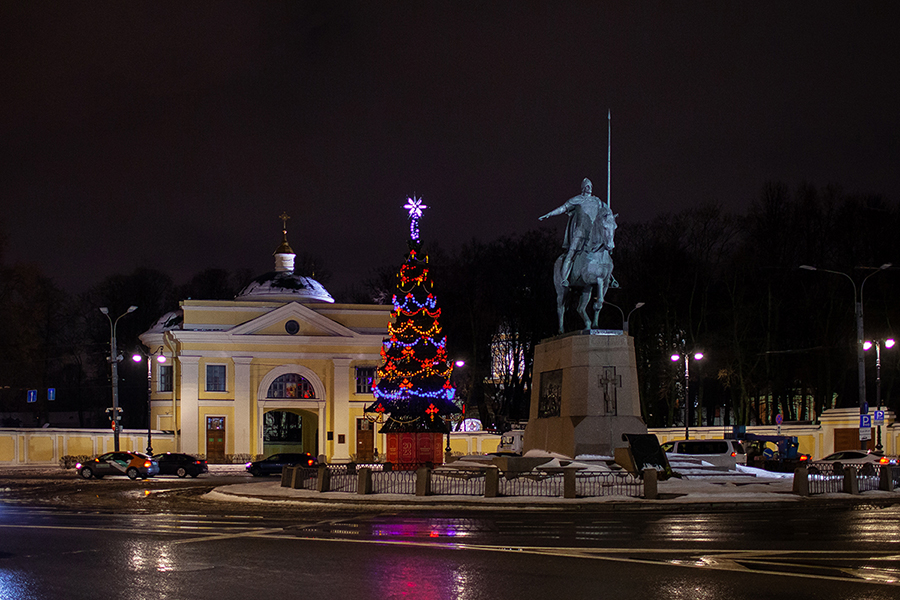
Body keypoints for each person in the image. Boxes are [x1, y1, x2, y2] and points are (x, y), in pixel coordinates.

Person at [539, 178, 615, 287]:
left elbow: (607, 212)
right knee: (571, 254)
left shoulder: (597, 201)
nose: (590, 188)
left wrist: (609, 215)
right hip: (580, 232)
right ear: (583, 187)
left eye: (591, 186)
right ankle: (564, 279)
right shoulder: (577, 199)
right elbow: (563, 208)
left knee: (604, 251)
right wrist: (549, 214)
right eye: (587, 186)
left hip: (594, 233)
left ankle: (610, 277)